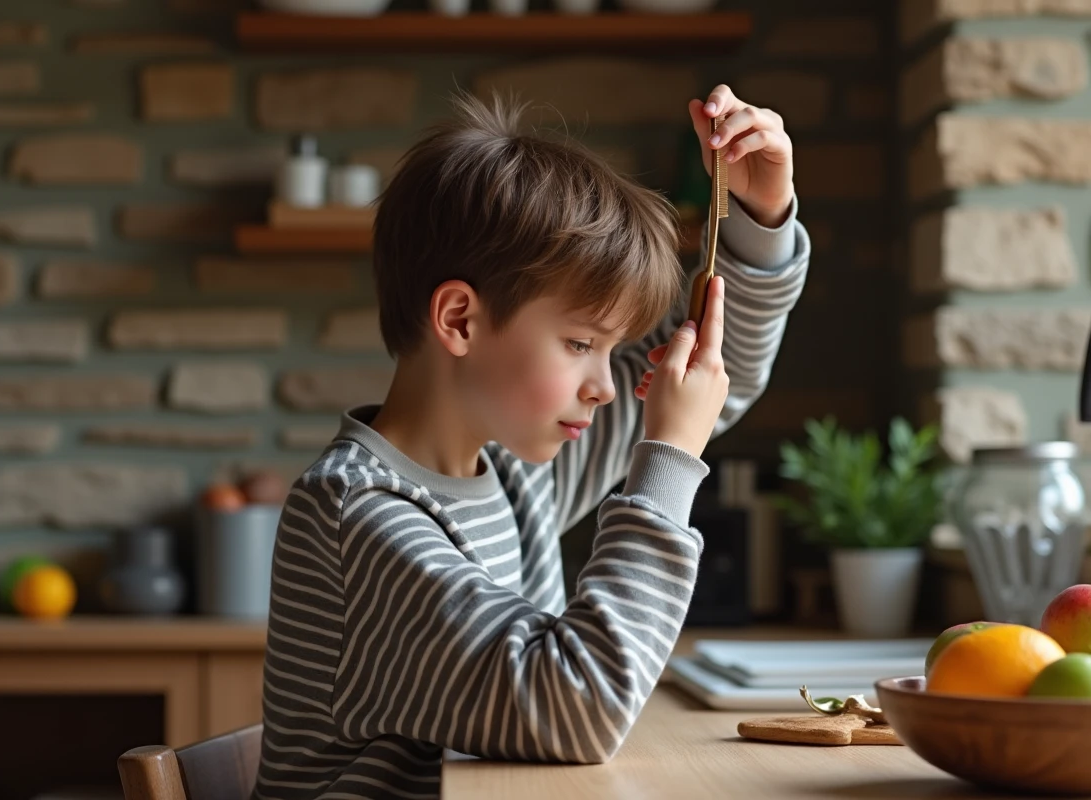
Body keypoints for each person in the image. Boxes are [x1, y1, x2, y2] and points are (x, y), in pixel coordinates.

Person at [254, 83, 810, 800]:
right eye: (580, 342)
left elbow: (710, 380)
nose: (607, 386)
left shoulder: (515, 472)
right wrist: (669, 463)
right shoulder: (355, 513)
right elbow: (576, 708)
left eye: (611, 349)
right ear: (459, 319)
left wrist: (756, 216)